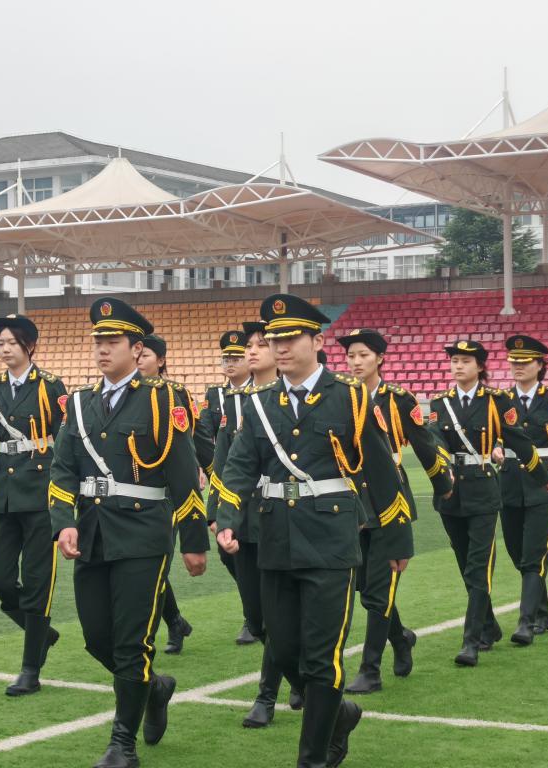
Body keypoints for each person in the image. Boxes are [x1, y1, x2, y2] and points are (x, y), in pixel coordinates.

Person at [216, 294, 411, 768]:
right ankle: (339, 714)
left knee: (323, 658)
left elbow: (382, 471)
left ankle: (313, 758)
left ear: (317, 341)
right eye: (273, 339)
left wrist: (396, 538)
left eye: (289, 338)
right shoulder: (261, 405)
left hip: (331, 540)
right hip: (275, 539)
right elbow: (240, 466)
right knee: (281, 650)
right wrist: (226, 517)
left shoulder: (350, 397)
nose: (280, 347)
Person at [49, 297, 208, 768]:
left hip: (143, 535)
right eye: (97, 341)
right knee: (97, 637)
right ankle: (154, 688)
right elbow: (61, 472)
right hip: (93, 535)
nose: (101, 349)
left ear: (137, 349)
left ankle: (123, 743)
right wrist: (65, 524)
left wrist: (195, 542)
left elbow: (183, 475)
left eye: (112, 342)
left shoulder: (162, 400)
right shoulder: (78, 405)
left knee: (131, 641)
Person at [337, 329, 453, 694]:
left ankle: (370, 670)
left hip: (390, 501)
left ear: (380, 359)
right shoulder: (339, 396)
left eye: (363, 356)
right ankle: (401, 638)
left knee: (377, 590)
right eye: (352, 355)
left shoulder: (399, 399)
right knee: (367, 590)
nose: (356, 362)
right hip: (353, 501)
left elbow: (424, 443)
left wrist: (444, 484)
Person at [0, 314, 68, 696]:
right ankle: (42, 634)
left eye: (12, 343)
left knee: (38, 583)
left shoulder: (51, 387)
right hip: (4, 493)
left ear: (30, 346)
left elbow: (66, 441)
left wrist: (68, 496)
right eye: (0, 343)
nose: (5, 349)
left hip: (42, 494)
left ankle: (30, 669)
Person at [428, 339, 548, 667]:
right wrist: (442, 473)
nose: (458, 366)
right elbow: (434, 439)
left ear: (480, 367)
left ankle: (472, 641)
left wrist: (541, 476)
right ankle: (490, 624)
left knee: (478, 566)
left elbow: (518, 440)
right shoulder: (441, 403)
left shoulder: (497, 400)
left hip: (483, 491)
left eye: (466, 361)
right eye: (454, 360)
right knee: (464, 562)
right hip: (451, 494)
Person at [212, 320, 303, 728]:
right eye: (249, 345)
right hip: (244, 520)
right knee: (257, 615)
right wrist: (219, 513)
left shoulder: (293, 400)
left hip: (282, 518)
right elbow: (226, 463)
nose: (252, 351)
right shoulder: (239, 400)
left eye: (261, 344)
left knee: (275, 611)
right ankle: (298, 676)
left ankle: (266, 695)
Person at [495, 335, 548, 645]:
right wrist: (493, 447)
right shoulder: (500, 401)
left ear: (540, 365)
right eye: (514, 362)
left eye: (525, 362)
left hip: (545, 483)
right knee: (518, 554)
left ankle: (525, 622)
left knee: (534, 555)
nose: (518, 366)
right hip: (509, 482)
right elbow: (486, 434)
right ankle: (543, 613)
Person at [137, 333, 210, 655]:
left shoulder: (175, 394)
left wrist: (203, 469)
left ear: (161, 361)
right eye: (137, 354)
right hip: (133, 492)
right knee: (144, 567)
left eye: (146, 355)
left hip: (169, 492)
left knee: (154, 567)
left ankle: (145, 639)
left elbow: (196, 439)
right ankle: (176, 620)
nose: (139, 360)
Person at [201, 330, 260, 645]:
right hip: (227, 479)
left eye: (236, 357)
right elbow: (208, 437)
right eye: (227, 358)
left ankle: (254, 616)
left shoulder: (259, 393)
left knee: (254, 552)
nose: (231, 363)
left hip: (258, 489)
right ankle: (254, 606)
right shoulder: (216, 395)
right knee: (229, 554)